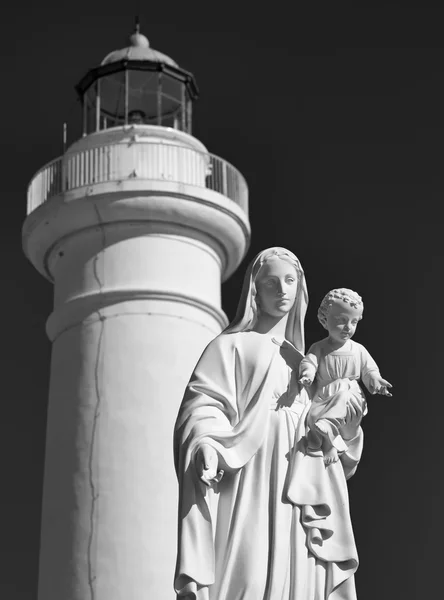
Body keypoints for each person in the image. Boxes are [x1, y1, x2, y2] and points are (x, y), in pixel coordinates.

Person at [174, 248, 364, 600]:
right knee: (247, 572)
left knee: (302, 578)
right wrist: (206, 445)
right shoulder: (230, 347)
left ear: (300, 289)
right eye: (270, 282)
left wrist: (348, 431)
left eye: (290, 281)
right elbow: (203, 404)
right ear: (254, 291)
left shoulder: (309, 362)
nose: (281, 290)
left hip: (302, 477)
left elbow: (326, 431)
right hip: (250, 471)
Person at [299, 288, 392, 465]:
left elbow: (369, 371)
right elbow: (309, 362)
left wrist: (377, 382)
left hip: (351, 400)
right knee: (339, 392)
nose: (348, 327)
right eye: (342, 321)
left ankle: (328, 429)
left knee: (343, 389)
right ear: (324, 320)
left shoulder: (358, 349)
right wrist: (307, 374)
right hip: (325, 397)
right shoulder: (319, 347)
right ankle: (328, 443)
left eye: (354, 322)